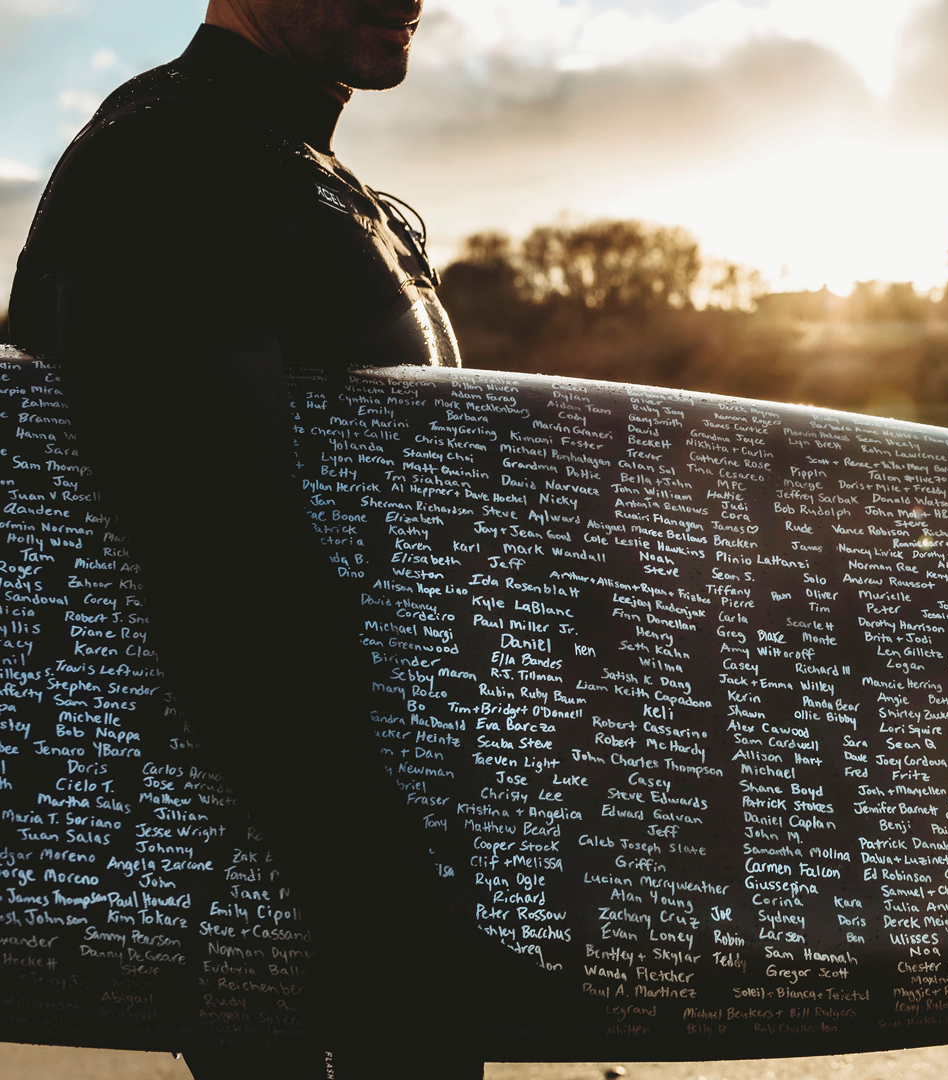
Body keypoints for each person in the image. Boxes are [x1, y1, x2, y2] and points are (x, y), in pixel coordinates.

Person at [7, 2, 567, 1076]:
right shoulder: (171, 158)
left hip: (358, 842)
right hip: (294, 859)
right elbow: (214, 545)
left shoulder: (290, 168)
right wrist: (392, 912)